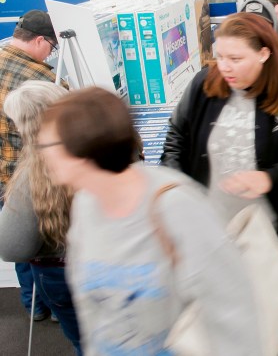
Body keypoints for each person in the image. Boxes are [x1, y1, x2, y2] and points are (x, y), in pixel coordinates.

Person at [36, 86, 264, 355]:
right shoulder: (86, 205)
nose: (41, 152)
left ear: (83, 149)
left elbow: (235, 309)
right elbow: (92, 312)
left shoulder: (175, 205)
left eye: (48, 144)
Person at [162, 12, 278, 356]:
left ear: (264, 53)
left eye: (235, 58)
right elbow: (176, 138)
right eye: (219, 56)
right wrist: (173, 190)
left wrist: (270, 178)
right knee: (225, 302)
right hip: (213, 226)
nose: (224, 67)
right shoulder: (204, 84)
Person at [0, 81, 81, 354]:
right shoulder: (96, 144)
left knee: (86, 341)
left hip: (60, 272)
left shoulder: (31, 174)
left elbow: (12, 247)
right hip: (110, 264)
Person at [0, 9, 61, 322]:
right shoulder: (41, 79)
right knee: (43, 243)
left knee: (18, 241)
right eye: (51, 46)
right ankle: (53, 305)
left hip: (3, 174)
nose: (51, 53)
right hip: (31, 175)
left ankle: (34, 306)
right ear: (39, 40)